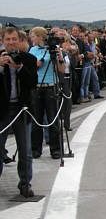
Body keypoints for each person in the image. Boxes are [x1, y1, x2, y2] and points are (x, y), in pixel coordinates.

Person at [0, 26, 38, 197]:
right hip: (2, 110)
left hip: (22, 109)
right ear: (2, 41)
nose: (11, 42)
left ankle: (25, 183)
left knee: (25, 150)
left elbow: (32, 83)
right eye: (7, 40)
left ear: (19, 40)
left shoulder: (28, 58)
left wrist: (19, 67)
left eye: (14, 39)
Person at [29, 27, 66, 159]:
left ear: (40, 36)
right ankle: (35, 149)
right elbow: (35, 65)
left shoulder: (53, 48)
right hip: (37, 86)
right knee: (36, 120)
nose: (31, 39)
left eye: (33, 36)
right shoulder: (32, 50)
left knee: (53, 119)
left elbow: (62, 69)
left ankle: (56, 149)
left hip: (51, 86)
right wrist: (43, 58)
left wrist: (59, 56)